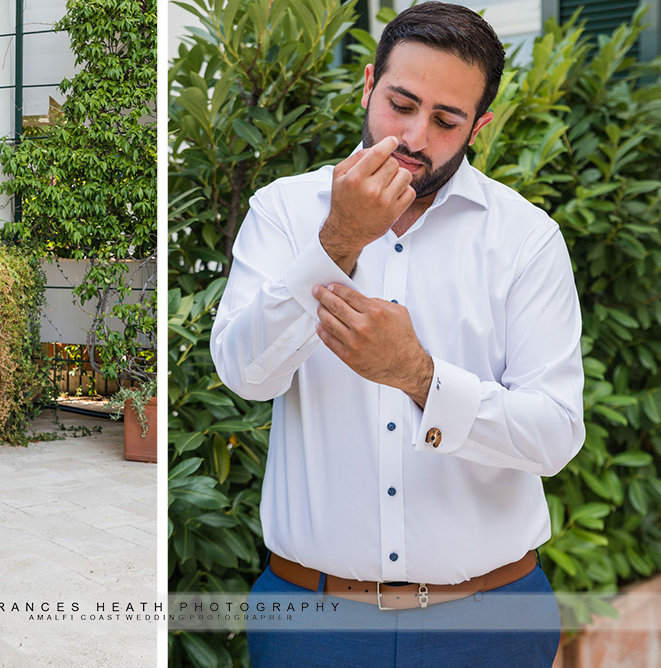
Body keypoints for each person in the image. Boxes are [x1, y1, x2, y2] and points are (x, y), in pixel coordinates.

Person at [210, 3, 584, 667]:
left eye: (445, 120)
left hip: (491, 621)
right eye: (400, 104)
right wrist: (339, 242)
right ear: (367, 86)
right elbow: (247, 375)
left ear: (479, 127)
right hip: (313, 621)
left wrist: (421, 378)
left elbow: (554, 435)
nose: (414, 135)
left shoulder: (525, 239)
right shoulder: (286, 210)